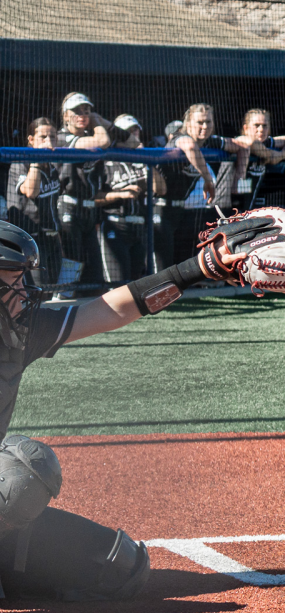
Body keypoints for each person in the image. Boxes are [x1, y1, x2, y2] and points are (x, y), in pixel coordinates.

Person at [0, 217, 254, 599]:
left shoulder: (22, 329)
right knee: (18, 477)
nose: (26, 288)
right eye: (14, 278)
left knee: (121, 566)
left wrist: (197, 269)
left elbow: (111, 309)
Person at [96, 115, 165, 283]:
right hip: (115, 224)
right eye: (127, 132)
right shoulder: (105, 160)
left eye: (136, 129)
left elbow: (161, 190)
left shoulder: (144, 157)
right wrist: (120, 194)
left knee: (136, 283)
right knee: (117, 283)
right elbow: (94, 198)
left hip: (141, 226)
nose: (133, 134)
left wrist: (147, 162)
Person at [161, 103, 229, 265]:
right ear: (189, 123)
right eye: (200, 122)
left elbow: (242, 145)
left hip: (179, 209)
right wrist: (208, 180)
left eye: (208, 122)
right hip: (159, 207)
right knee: (162, 268)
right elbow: (190, 147)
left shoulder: (207, 142)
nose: (205, 126)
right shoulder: (180, 136)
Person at [56, 93, 108, 294]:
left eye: (87, 111)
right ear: (65, 115)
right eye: (77, 111)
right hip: (68, 206)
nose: (83, 115)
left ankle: (92, 307)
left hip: (89, 209)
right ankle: (61, 299)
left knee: (94, 264)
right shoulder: (62, 137)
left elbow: (129, 143)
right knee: (72, 258)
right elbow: (101, 141)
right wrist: (97, 121)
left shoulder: (90, 136)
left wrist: (99, 122)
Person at [7, 119, 63, 289]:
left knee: (52, 288)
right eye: (43, 137)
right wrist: (37, 160)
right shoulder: (21, 163)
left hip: (52, 236)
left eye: (52, 137)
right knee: (36, 291)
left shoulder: (54, 165)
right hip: (29, 239)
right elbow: (31, 191)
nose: (48, 141)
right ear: (31, 140)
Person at [231, 108, 285, 211]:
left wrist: (279, 156)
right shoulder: (240, 141)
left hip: (248, 203)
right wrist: (270, 155)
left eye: (264, 126)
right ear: (246, 128)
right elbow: (251, 143)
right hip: (229, 202)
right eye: (256, 125)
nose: (261, 129)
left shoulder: (266, 143)